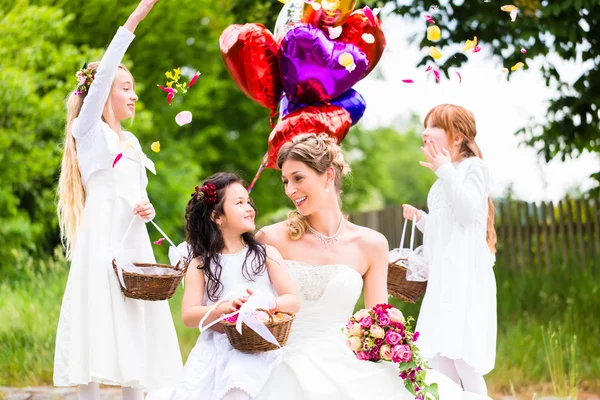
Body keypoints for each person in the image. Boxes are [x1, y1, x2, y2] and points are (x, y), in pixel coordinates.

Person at [255, 133, 491, 399]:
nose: (290, 190)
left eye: (298, 178)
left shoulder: (370, 243)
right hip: (286, 362)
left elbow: (380, 318)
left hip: (345, 359)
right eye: (285, 181)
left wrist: (393, 347)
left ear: (329, 175)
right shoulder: (270, 238)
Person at [54, 1, 182, 397]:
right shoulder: (88, 129)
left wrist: (149, 209)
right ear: (103, 90)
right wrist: (135, 19)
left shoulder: (131, 141)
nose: (134, 96)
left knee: (135, 317)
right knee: (96, 317)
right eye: (126, 88)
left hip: (132, 239)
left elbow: (138, 196)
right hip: (101, 238)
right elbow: (107, 66)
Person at [170, 172, 300, 400]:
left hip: (262, 345)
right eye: (239, 203)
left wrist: (266, 304)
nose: (249, 207)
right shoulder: (201, 264)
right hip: (219, 348)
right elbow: (189, 316)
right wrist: (220, 309)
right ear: (217, 217)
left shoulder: (266, 254)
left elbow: (293, 299)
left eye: (248, 201)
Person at [402, 104, 497, 396]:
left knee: (465, 357)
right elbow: (444, 231)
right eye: (425, 125)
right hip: (445, 280)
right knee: (441, 358)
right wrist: (420, 219)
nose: (425, 131)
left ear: (456, 137)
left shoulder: (473, 168)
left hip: (466, 278)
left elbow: (468, 214)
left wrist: (444, 170)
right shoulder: (440, 184)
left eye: (434, 126)